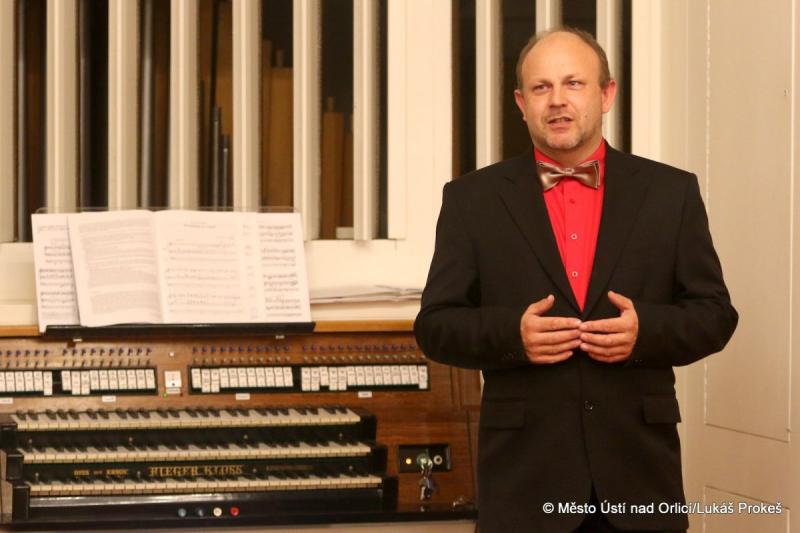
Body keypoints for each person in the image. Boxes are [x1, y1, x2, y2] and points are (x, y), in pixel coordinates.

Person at [414, 27, 738, 533]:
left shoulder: (671, 193)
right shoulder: (471, 200)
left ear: (606, 94)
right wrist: (513, 335)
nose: (557, 101)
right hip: (524, 486)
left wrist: (645, 332)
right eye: (541, 87)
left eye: (574, 83)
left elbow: (715, 315)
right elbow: (435, 326)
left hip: (638, 480)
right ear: (521, 104)